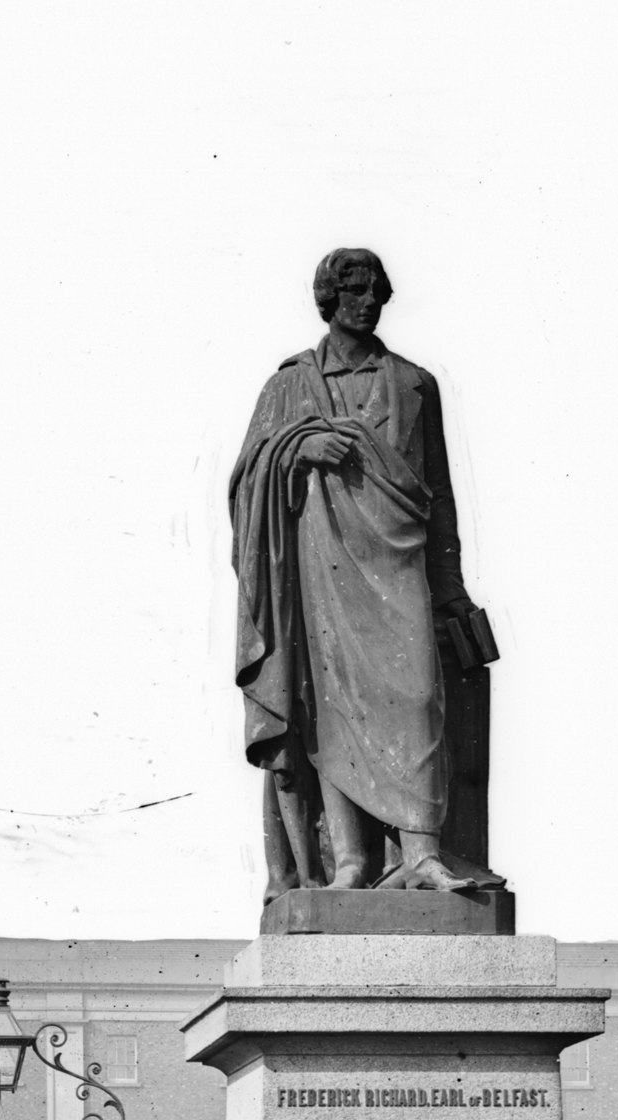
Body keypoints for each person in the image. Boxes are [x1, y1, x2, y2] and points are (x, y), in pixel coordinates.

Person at [231, 247, 505, 899]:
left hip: (399, 559)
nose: (367, 300)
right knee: (331, 706)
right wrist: (298, 447)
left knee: (418, 698)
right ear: (328, 298)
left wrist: (450, 588)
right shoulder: (289, 386)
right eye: (353, 289)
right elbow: (247, 478)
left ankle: (422, 853)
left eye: (376, 289)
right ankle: (351, 862)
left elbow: (438, 495)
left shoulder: (414, 385)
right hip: (322, 566)